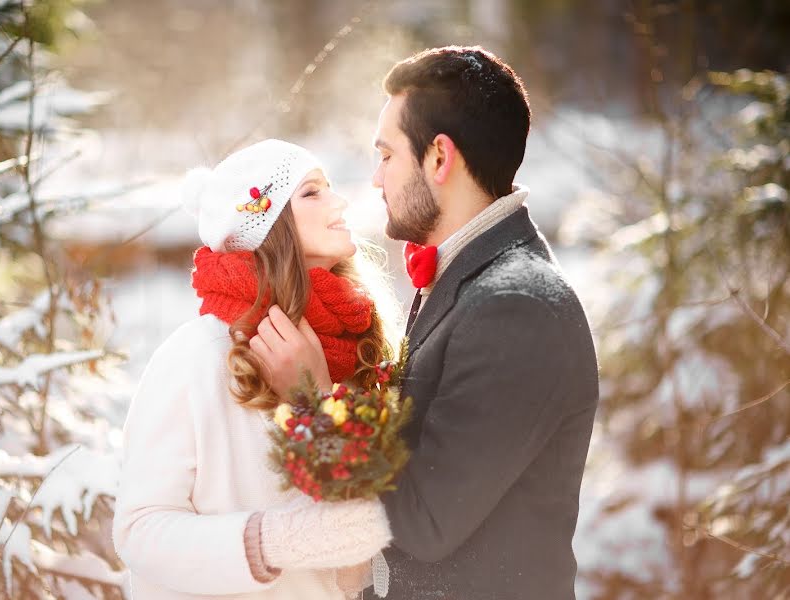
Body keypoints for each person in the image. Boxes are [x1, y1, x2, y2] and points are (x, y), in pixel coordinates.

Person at [256, 46, 600, 599]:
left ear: (439, 158)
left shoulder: (517, 306)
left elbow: (424, 521)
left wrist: (315, 395)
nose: (374, 179)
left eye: (387, 155)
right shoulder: (469, 278)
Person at [112, 139, 397, 600]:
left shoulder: (355, 348)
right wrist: (271, 542)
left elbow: (361, 541)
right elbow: (139, 530)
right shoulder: (197, 355)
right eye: (311, 192)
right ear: (265, 226)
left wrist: (318, 398)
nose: (339, 201)